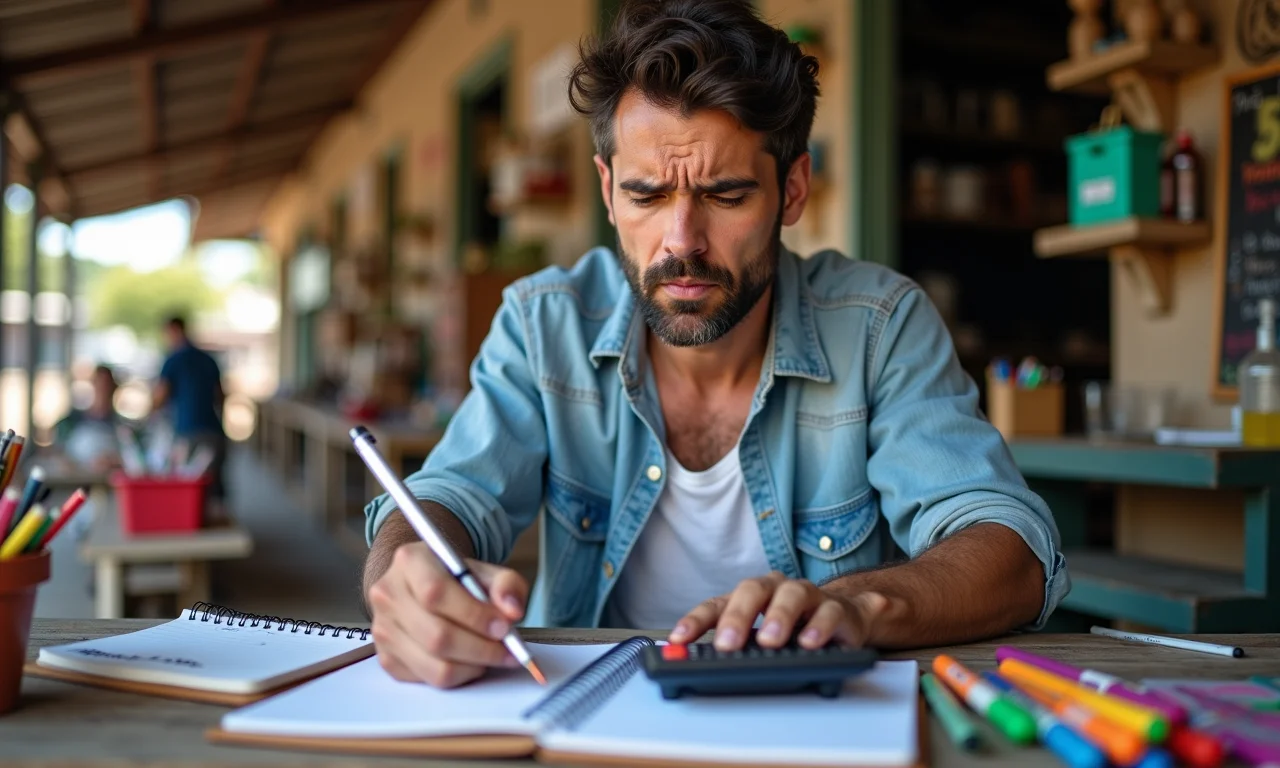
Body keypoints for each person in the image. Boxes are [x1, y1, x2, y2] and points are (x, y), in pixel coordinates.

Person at [362, 0, 1068, 690]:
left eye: (726, 196)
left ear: (792, 190)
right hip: (587, 718)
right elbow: (448, 497)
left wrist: (856, 605)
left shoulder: (879, 328)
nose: (681, 243)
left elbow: (1008, 548)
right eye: (645, 196)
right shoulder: (544, 326)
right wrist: (408, 575)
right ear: (608, 192)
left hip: (814, 730)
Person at [152, 315, 228, 521]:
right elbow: (221, 397)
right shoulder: (208, 359)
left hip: (187, 433)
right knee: (214, 488)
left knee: (188, 488)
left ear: (172, 331)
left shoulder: (173, 360)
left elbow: (160, 397)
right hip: (214, 431)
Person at [53, 364, 126, 471]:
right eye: (99, 383)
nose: (102, 388)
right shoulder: (71, 421)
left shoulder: (121, 425)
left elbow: (130, 459)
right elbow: (58, 453)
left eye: (106, 385)